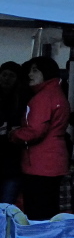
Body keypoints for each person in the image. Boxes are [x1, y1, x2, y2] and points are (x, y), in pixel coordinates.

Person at [9, 56, 71, 220]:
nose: (30, 74)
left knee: (37, 213)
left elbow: (35, 131)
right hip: (54, 162)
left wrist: (13, 134)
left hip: (40, 164)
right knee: (48, 211)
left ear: (46, 72)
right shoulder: (57, 93)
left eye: (35, 70)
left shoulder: (42, 98)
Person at [0, 61, 25, 204]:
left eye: (11, 76)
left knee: (6, 205)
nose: (6, 79)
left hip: (13, 161)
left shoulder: (22, 100)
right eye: (4, 75)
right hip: (12, 159)